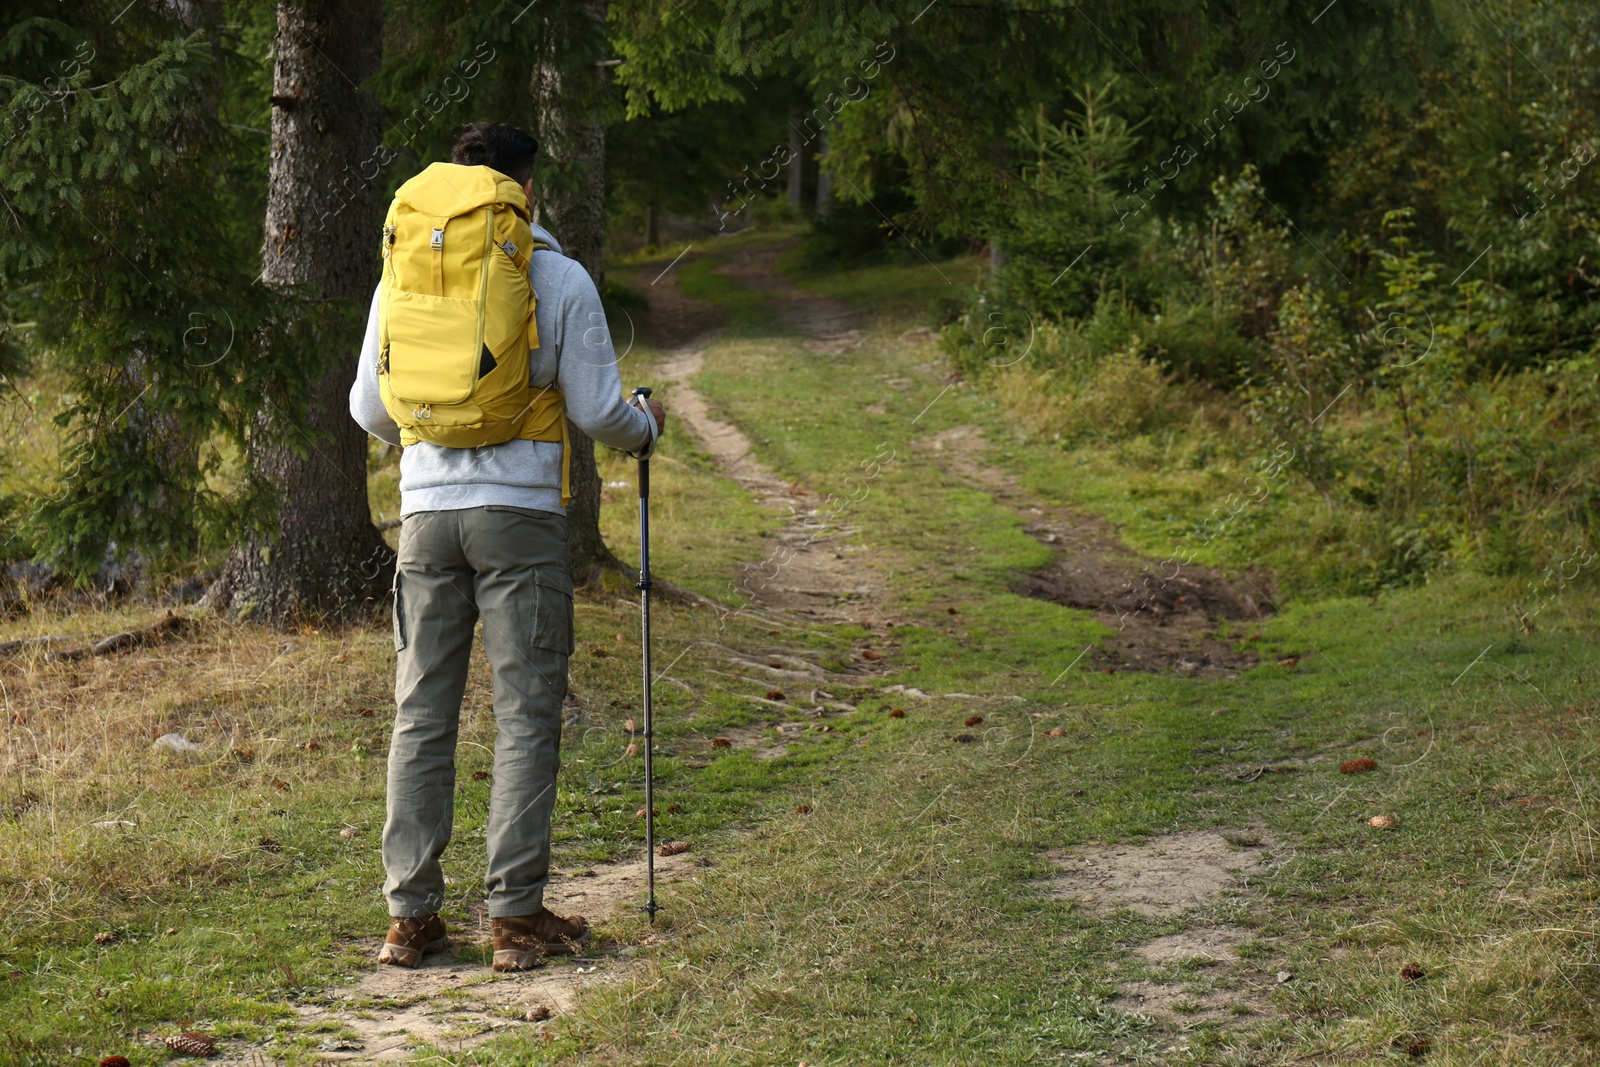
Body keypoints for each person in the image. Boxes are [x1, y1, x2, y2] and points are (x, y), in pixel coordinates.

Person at [349, 122, 667, 972]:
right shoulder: (554, 273)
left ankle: (410, 919)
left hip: (425, 517)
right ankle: (516, 919)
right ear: (527, 191)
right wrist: (646, 429)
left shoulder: (401, 276)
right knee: (525, 714)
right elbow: (601, 412)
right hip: (520, 518)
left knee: (422, 714)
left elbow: (369, 411)